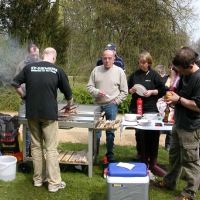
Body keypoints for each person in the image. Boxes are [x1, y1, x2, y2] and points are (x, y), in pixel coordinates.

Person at [11, 47, 73, 192]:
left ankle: (38, 180)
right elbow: (68, 95)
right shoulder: (57, 70)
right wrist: (69, 106)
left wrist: (24, 96)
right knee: (51, 148)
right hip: (49, 114)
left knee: (36, 147)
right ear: (54, 57)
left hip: (32, 113)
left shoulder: (29, 68)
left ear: (43, 55)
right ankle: (53, 184)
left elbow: (15, 84)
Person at [153, 46, 200, 200]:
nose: (180, 72)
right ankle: (169, 182)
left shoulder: (198, 79)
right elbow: (179, 95)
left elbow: (198, 106)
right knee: (174, 157)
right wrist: (172, 100)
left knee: (191, 161)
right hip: (179, 123)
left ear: (191, 65)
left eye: (182, 70)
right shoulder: (183, 73)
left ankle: (189, 193)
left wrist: (178, 99)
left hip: (192, 127)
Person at [128, 52, 166, 175]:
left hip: (151, 108)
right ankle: (142, 156)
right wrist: (131, 91)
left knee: (153, 134)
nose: (141, 64)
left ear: (149, 63)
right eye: (140, 62)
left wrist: (152, 92)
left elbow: (162, 90)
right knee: (139, 134)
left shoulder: (155, 75)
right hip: (137, 107)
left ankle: (153, 160)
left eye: (144, 62)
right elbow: (128, 90)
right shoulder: (134, 75)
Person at [87, 49, 128, 162]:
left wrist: (117, 101)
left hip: (111, 105)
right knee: (96, 131)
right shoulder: (96, 70)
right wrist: (97, 92)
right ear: (102, 58)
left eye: (110, 58)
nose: (107, 60)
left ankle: (110, 154)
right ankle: (94, 155)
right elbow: (89, 87)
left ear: (114, 59)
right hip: (97, 105)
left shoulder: (119, 71)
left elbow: (124, 91)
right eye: (105, 58)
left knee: (110, 131)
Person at [14, 44, 40, 156]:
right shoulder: (22, 65)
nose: (35, 57)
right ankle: (26, 152)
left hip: (40, 99)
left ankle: (37, 151)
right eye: (33, 55)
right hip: (27, 100)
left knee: (40, 125)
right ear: (28, 54)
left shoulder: (41, 63)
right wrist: (24, 95)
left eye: (37, 55)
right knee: (27, 126)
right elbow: (16, 82)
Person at [155, 64, 172, 151]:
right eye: (170, 67)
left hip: (172, 105)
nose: (171, 69)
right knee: (159, 125)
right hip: (163, 104)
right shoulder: (165, 78)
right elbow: (162, 89)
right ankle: (155, 145)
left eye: (172, 68)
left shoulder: (178, 79)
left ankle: (168, 145)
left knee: (170, 128)